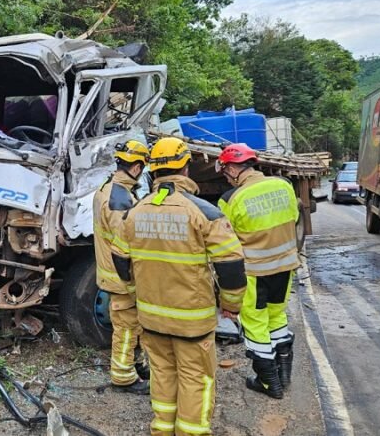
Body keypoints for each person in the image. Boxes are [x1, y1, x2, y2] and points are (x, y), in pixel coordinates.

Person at [114, 137, 247, 435]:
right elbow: (231, 265)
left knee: (162, 374)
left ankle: (162, 429)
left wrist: (137, 297)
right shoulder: (205, 212)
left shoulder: (134, 212)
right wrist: (231, 307)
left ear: (152, 172)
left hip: (150, 318)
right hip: (192, 321)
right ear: (186, 169)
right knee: (195, 378)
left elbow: (121, 262)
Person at [216, 143, 300, 400]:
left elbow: (224, 241)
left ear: (232, 168)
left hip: (253, 272)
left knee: (255, 324)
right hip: (285, 268)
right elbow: (293, 218)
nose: (227, 177)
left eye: (226, 172)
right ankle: (283, 377)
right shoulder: (284, 186)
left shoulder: (231, 199)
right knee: (277, 318)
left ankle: (268, 383)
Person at [93, 139, 152, 394]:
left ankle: (136, 364)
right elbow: (126, 243)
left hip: (113, 273)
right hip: (120, 276)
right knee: (126, 327)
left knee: (133, 324)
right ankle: (123, 376)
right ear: (137, 167)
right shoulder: (119, 199)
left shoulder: (109, 189)